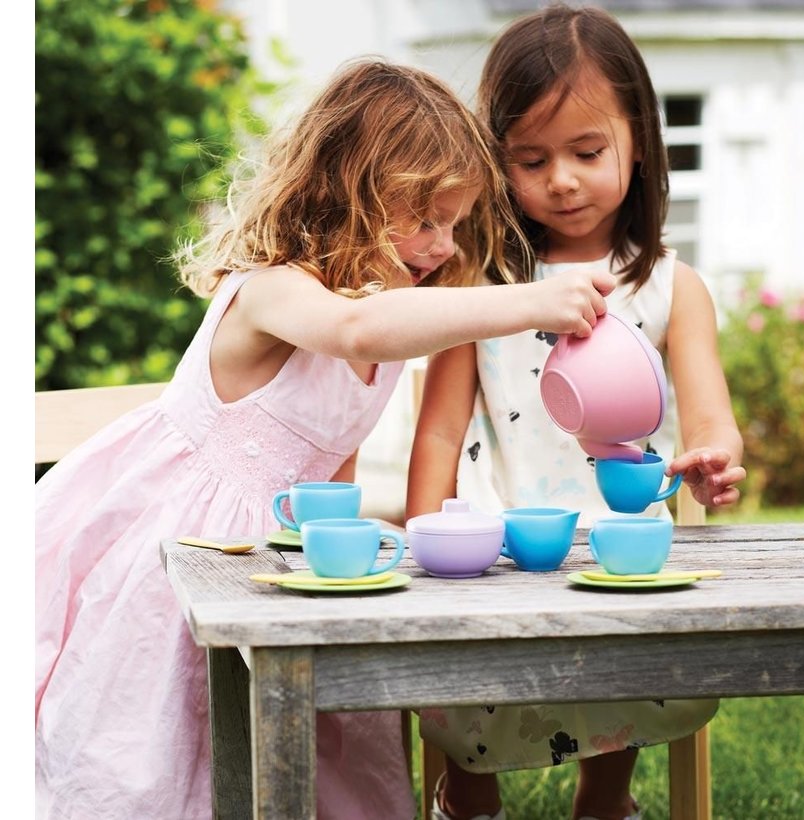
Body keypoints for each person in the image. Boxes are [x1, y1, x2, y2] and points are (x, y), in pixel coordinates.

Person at [34, 59, 617, 820]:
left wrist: (339, 535)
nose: (443, 245)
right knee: (158, 744)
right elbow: (351, 328)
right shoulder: (273, 288)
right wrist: (530, 299)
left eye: (455, 224)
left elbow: (329, 461)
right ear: (352, 191)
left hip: (279, 568)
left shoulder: (382, 333)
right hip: (178, 553)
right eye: (425, 218)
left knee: (316, 752)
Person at [406, 6, 747, 820]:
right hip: (491, 543)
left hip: (617, 544)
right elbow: (441, 427)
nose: (560, 178)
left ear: (640, 144)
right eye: (531, 159)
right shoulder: (482, 285)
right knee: (457, 678)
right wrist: (425, 537)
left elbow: (710, 420)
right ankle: (470, 797)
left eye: (587, 152)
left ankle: (605, 799)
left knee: (631, 659)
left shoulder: (668, 284)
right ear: (498, 164)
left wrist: (712, 461)